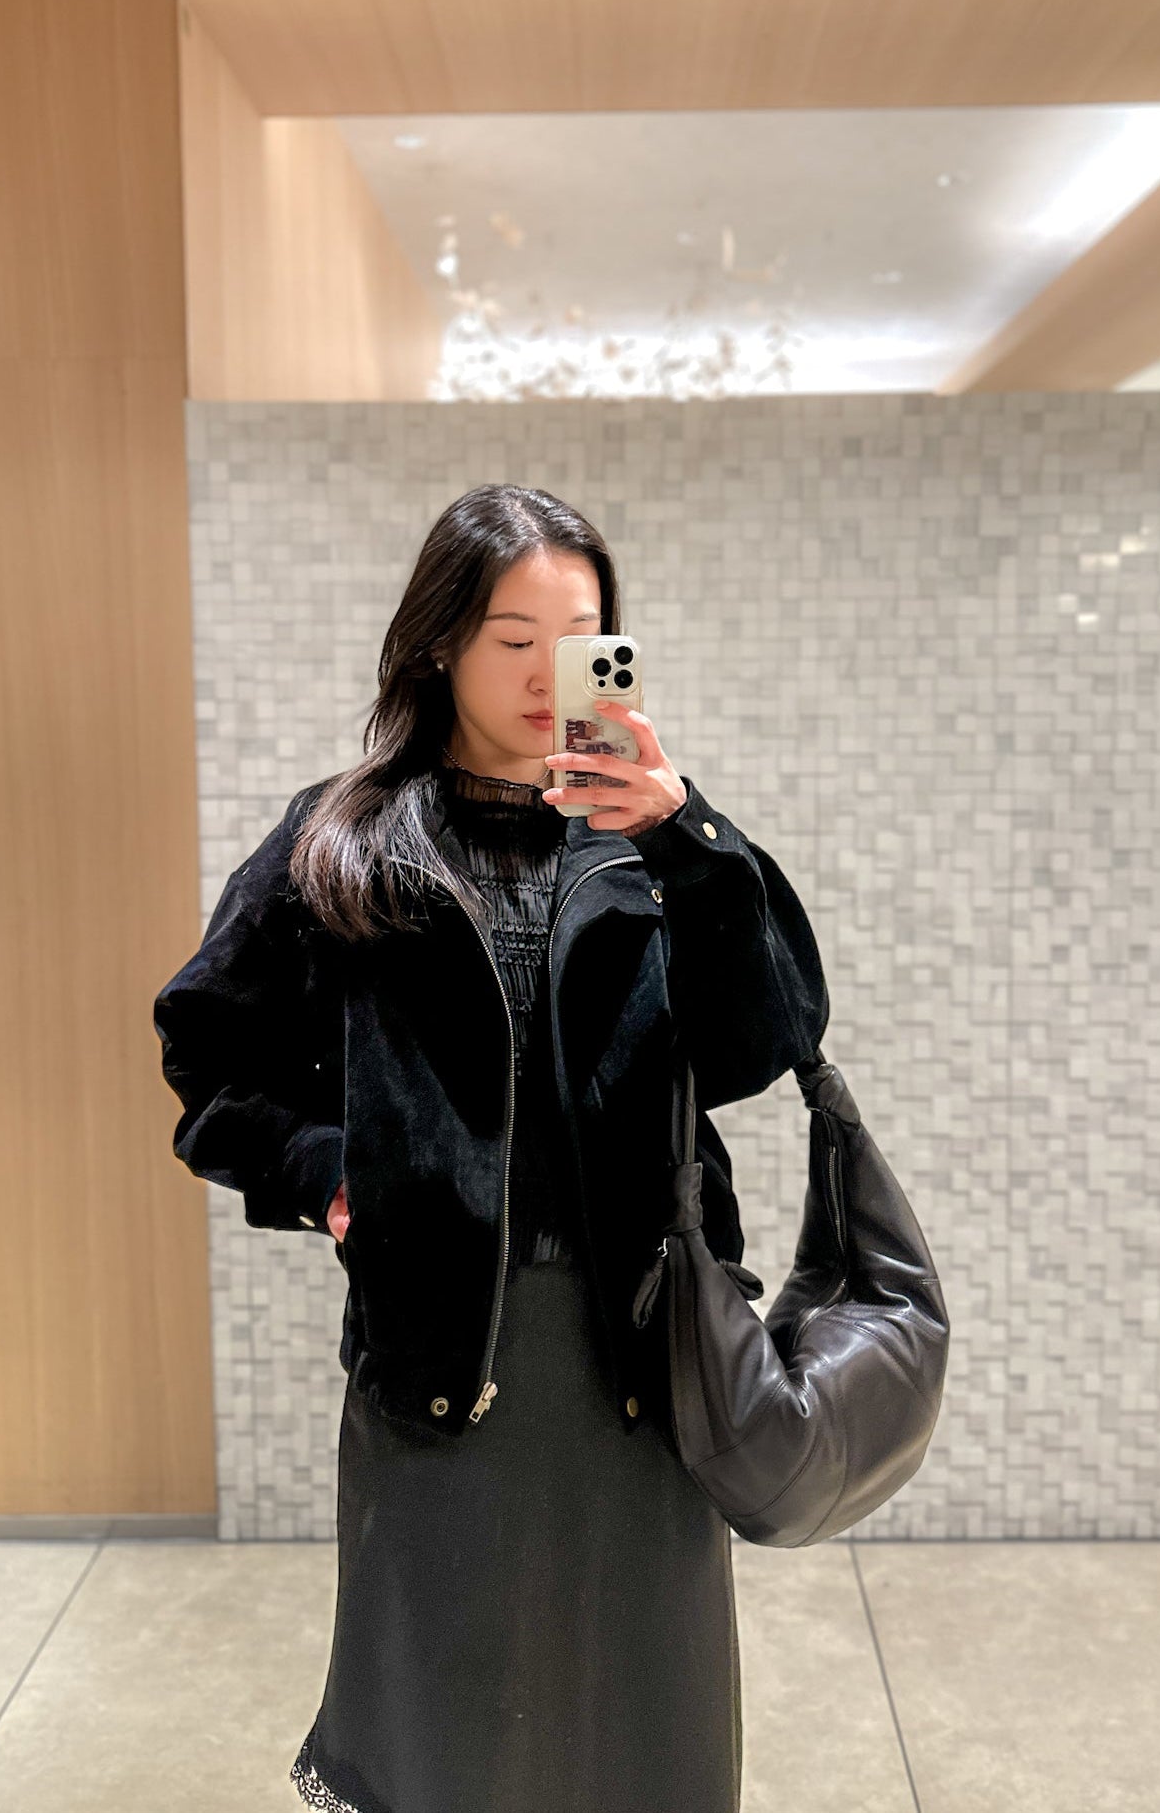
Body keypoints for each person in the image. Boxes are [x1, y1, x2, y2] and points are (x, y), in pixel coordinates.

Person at [152, 483, 830, 1813]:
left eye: (578, 639)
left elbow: (769, 1040)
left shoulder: (654, 843)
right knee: (440, 1719)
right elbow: (208, 1056)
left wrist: (689, 836)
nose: (543, 674)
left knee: (643, 1715)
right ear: (439, 644)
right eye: (512, 637)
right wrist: (325, 1172)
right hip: (438, 1352)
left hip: (646, 1346)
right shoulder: (344, 840)